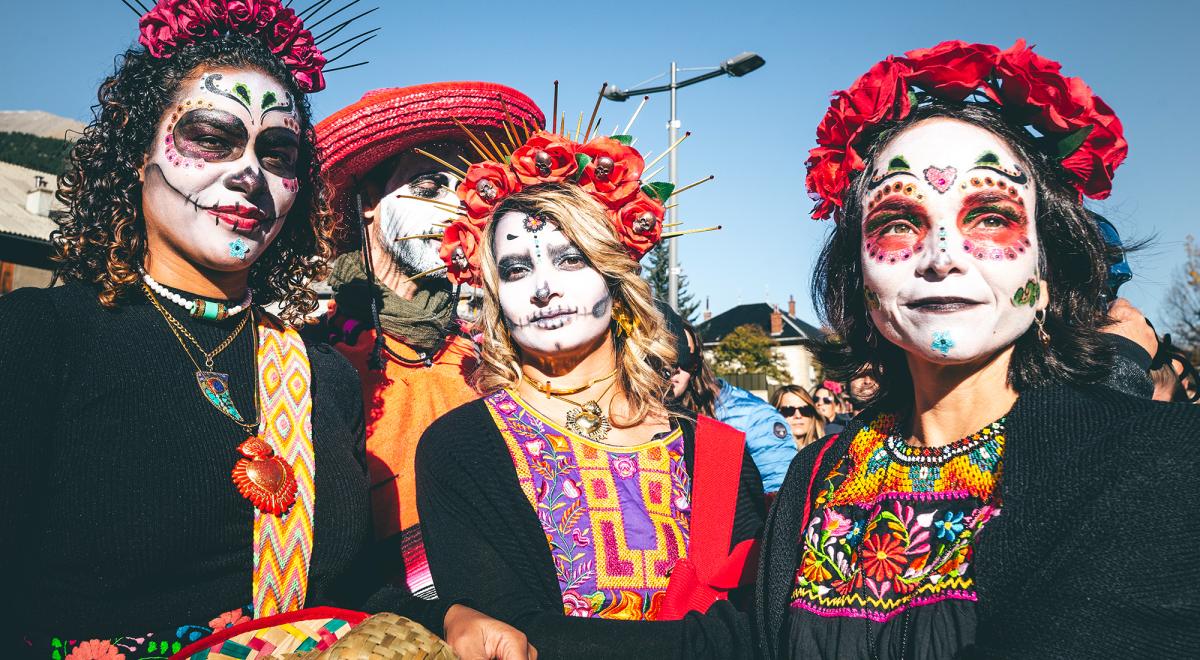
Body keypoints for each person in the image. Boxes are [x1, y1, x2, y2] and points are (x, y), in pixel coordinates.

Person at [0, 2, 531, 657]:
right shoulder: (40, 341)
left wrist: (453, 619)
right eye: (211, 137)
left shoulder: (322, 375)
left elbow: (343, 585)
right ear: (139, 154)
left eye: (277, 152)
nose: (249, 175)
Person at [754, 40, 1199, 658]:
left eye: (990, 217)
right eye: (897, 223)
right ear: (859, 275)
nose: (942, 258)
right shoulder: (818, 475)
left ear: (1048, 268)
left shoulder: (1163, 456)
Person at [415, 121, 763, 657]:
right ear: (496, 297)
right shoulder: (461, 447)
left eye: (569, 258)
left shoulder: (717, 453)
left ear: (615, 279)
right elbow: (512, 631)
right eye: (514, 269)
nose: (543, 287)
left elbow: (757, 625)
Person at [314, 82, 543, 597]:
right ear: (369, 201)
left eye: (467, 192)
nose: (453, 211)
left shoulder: (490, 361)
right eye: (427, 187)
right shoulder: (311, 354)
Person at [667, 315, 798, 492]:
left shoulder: (754, 417)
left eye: (685, 360)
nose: (673, 368)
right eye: (665, 358)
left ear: (697, 364)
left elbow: (781, 493)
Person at [769, 385, 825, 450]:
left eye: (804, 410)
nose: (798, 416)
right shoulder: (766, 452)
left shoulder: (827, 450)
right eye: (788, 410)